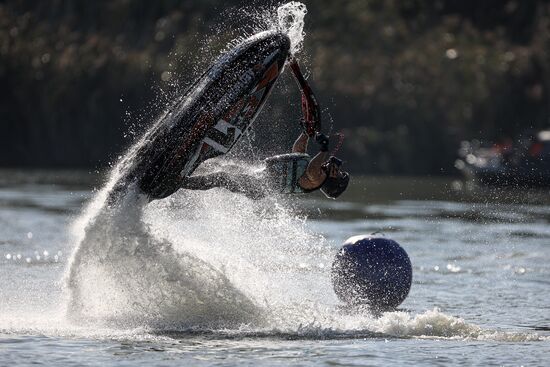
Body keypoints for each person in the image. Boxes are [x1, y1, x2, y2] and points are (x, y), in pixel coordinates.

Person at [179, 58, 349, 199]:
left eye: (340, 174)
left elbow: (312, 169)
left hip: (258, 187)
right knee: (225, 168)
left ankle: (180, 183)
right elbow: (298, 151)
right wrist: (306, 133)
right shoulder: (316, 172)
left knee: (220, 178)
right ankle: (185, 167)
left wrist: (324, 149)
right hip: (259, 175)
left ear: (333, 181)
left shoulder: (316, 179)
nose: (339, 170)